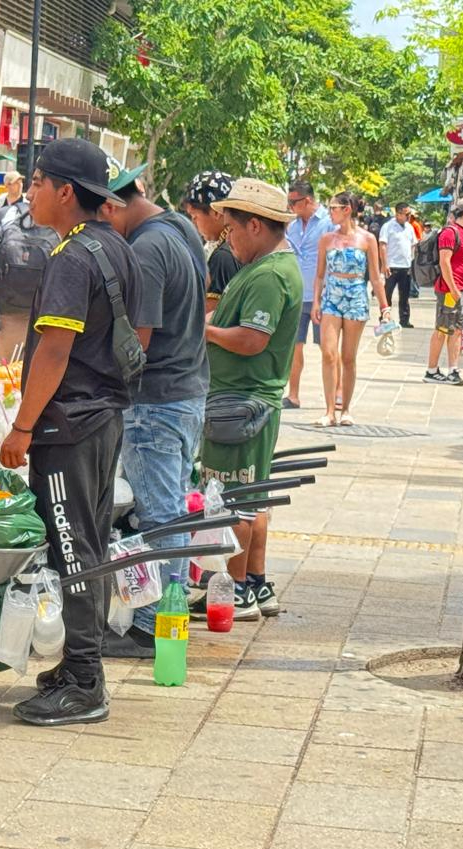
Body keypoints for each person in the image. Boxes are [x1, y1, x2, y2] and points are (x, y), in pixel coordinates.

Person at [0, 139, 140, 726]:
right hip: (100, 419)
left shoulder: (72, 257)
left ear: (64, 191)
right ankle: (81, 664)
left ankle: (84, 681)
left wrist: (22, 426)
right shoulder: (111, 247)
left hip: (70, 425)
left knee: (73, 545)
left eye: (36, 182)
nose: (29, 192)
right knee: (89, 542)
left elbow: (54, 349)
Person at [98, 162, 209, 657]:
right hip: (186, 393)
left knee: (160, 518)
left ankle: (152, 626)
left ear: (114, 205)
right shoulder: (182, 229)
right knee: (171, 514)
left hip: (157, 403)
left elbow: (135, 345)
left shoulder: (144, 249)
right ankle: (168, 617)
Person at [199, 178, 302, 620]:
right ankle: (254, 583)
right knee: (253, 496)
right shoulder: (268, 268)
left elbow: (252, 339)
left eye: (232, 230)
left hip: (242, 399)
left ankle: (235, 589)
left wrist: (203, 330)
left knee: (233, 500)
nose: (228, 239)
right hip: (247, 399)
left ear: (255, 225)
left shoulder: (270, 274)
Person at [311, 192, 389, 427]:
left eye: (334, 208)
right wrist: (316, 301)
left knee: (348, 357)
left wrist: (385, 307)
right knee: (328, 353)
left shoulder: (367, 239)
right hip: (332, 296)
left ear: (347, 209)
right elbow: (319, 274)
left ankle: (345, 408)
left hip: (356, 295)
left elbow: (375, 277)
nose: (330, 212)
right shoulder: (326, 239)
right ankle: (328, 410)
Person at [424, 196, 463, 387]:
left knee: (456, 331)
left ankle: (453, 369)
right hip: (450, 292)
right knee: (442, 329)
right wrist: (453, 290)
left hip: (461, 290)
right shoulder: (450, 233)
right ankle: (432, 370)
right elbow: (445, 262)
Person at [284, 180, 333, 409]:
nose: (290, 206)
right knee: (295, 346)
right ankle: (293, 395)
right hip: (296, 294)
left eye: (293, 202)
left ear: (308, 200)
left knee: (328, 348)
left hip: (321, 296)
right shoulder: (292, 227)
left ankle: (336, 394)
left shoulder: (328, 222)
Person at [182, 171, 241, 317]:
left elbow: (207, 317)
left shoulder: (223, 257)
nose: (193, 223)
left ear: (216, 213)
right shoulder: (238, 247)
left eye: (195, 216)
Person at [379, 201, 416, 329]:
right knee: (387, 294)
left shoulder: (409, 227)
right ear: (398, 214)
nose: (409, 216)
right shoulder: (388, 227)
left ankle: (404, 320)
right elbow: (383, 246)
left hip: (405, 266)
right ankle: (385, 317)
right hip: (392, 266)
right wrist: (384, 264)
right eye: (407, 214)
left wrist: (411, 261)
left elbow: (413, 245)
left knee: (404, 295)